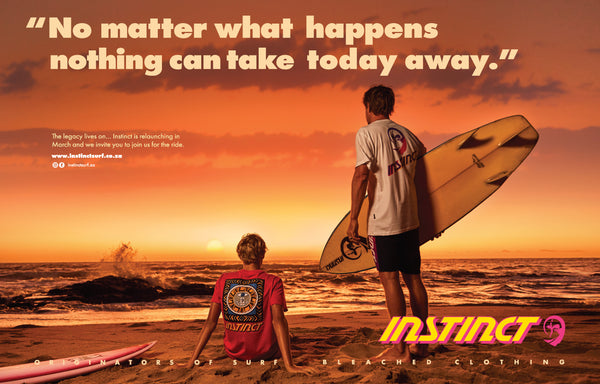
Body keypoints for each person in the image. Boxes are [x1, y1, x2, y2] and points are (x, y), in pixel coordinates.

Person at [346, 85, 429, 360]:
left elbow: (360, 174)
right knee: (414, 279)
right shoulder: (407, 134)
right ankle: (421, 341)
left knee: (389, 279)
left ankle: (400, 347)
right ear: (390, 106)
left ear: (368, 106)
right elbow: (425, 157)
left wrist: (354, 218)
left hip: (383, 219)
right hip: (410, 218)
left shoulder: (366, 133)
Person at [187, 233, 313, 374]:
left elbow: (210, 323)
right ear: (262, 254)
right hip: (265, 354)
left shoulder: (223, 280)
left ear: (240, 255)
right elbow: (278, 321)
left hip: (234, 353)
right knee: (288, 335)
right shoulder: (273, 281)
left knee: (287, 335)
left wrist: (191, 362)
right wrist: (290, 366)